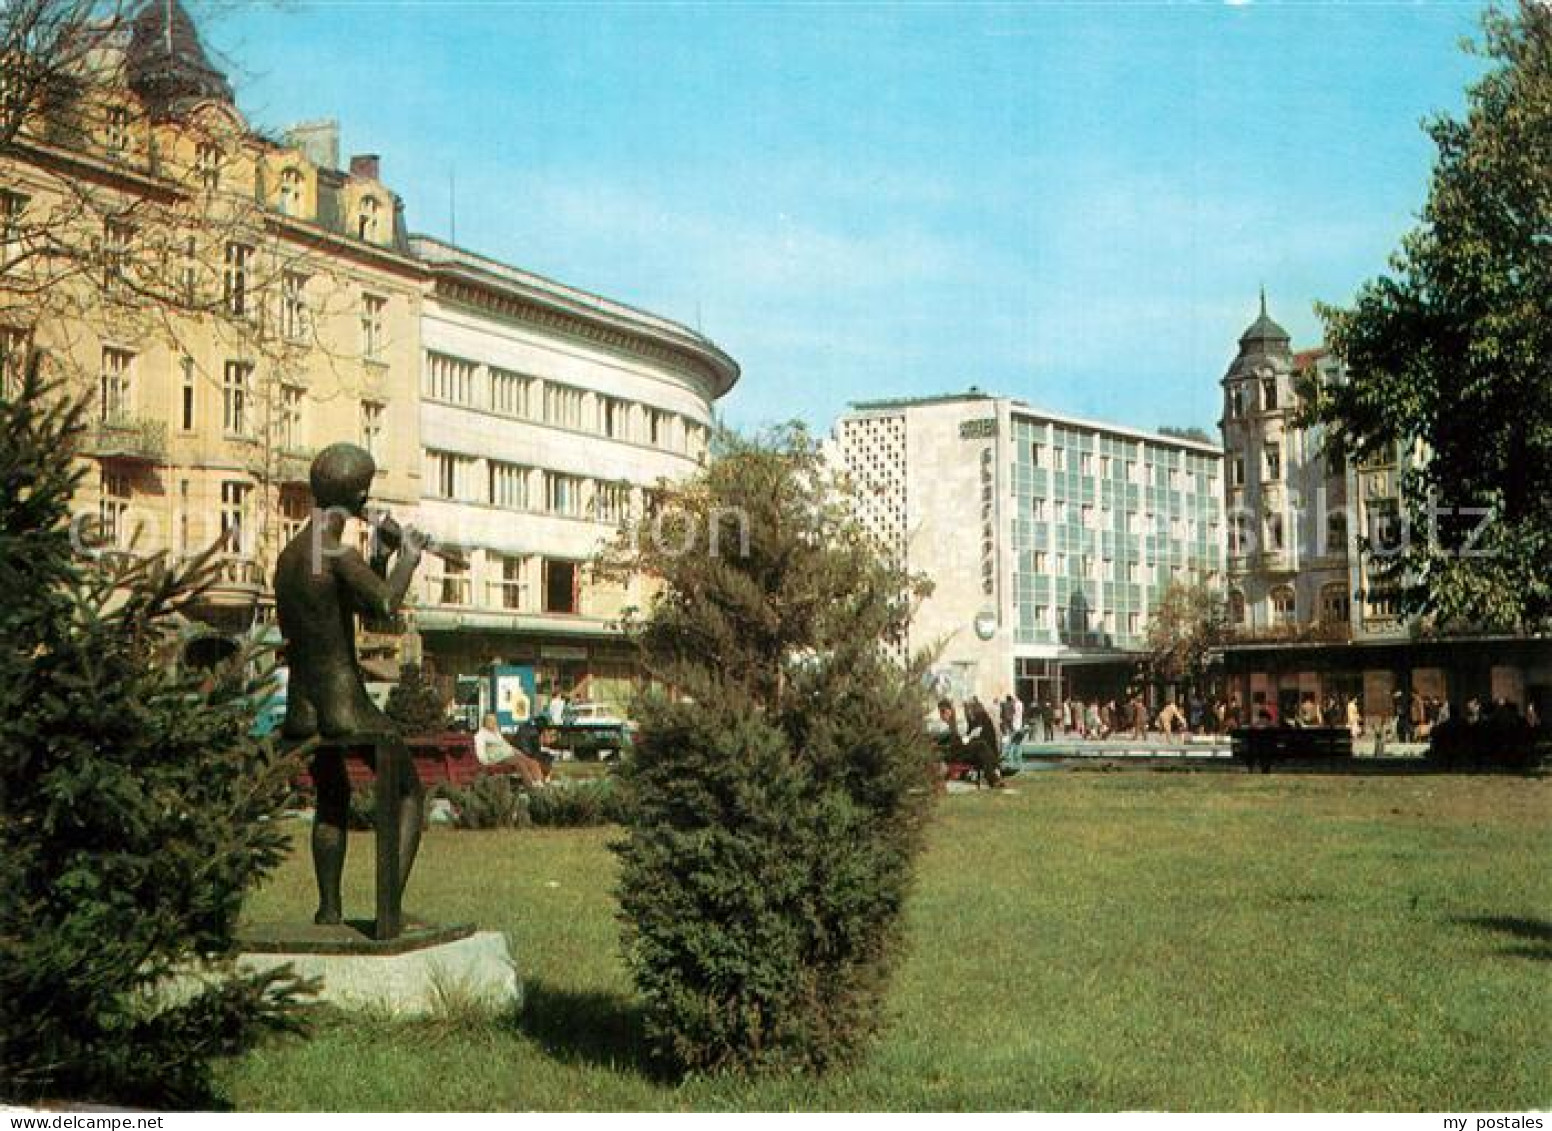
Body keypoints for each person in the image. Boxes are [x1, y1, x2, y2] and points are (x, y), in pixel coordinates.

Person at [274, 442, 429, 928]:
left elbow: (347, 608)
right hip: (344, 703)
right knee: (408, 794)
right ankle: (388, 912)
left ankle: (330, 909)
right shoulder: (335, 551)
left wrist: (379, 558)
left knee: (332, 796)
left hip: (304, 706)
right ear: (359, 496)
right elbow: (384, 606)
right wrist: (407, 558)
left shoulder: (293, 553)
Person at [474, 712, 548, 787]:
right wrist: (487, 762)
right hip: (498, 756)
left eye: (494, 721)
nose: (493, 723)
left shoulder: (496, 732)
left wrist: (516, 751)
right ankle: (531, 785)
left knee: (532, 761)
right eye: (490, 721)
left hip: (508, 752)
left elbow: (504, 744)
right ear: (485, 722)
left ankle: (539, 782)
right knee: (520, 763)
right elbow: (480, 752)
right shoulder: (480, 735)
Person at [960, 698, 1003, 788]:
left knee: (982, 748)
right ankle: (994, 777)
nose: (966, 713)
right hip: (984, 752)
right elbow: (970, 735)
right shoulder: (978, 719)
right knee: (982, 748)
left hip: (983, 751)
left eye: (967, 710)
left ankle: (993, 778)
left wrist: (967, 738)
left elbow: (975, 736)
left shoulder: (980, 719)